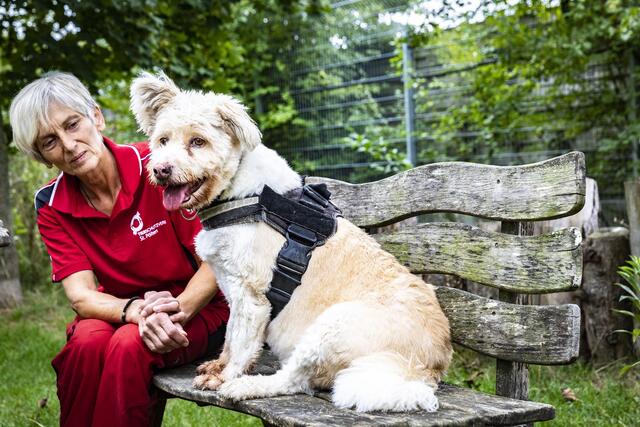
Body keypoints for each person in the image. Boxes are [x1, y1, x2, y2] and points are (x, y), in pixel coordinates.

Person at [9, 71, 229, 427]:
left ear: (97, 116)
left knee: (130, 345)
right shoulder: (50, 203)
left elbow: (218, 255)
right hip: (120, 308)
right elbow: (81, 296)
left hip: (199, 306)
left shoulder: (159, 164)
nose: (68, 144)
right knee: (84, 345)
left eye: (73, 124)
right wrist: (135, 310)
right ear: (42, 157)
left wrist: (177, 311)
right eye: (49, 141)